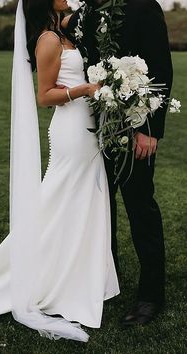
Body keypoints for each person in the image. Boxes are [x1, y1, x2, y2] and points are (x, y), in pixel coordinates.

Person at [0, 0, 119, 342]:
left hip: (87, 128)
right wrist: (86, 89)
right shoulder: (49, 40)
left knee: (83, 199)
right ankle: (47, 272)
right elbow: (45, 95)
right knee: (61, 198)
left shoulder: (64, 33)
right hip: (72, 129)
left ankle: (82, 274)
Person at [64, 0, 173, 327]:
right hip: (93, 129)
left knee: (140, 206)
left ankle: (151, 295)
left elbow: (161, 69)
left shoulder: (143, 6)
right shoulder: (83, 14)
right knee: (100, 204)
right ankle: (106, 276)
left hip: (134, 127)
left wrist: (149, 130)